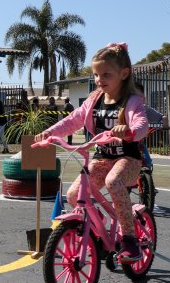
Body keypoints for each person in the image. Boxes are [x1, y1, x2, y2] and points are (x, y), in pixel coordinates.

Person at [34, 42, 149, 263]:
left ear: (124, 74)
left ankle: (129, 239)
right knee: (73, 195)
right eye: (96, 74)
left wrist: (130, 130)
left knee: (114, 182)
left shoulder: (132, 101)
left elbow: (141, 122)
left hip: (128, 158)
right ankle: (99, 229)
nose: (99, 80)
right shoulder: (94, 100)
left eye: (106, 74)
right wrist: (48, 133)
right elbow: (73, 120)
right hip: (102, 157)